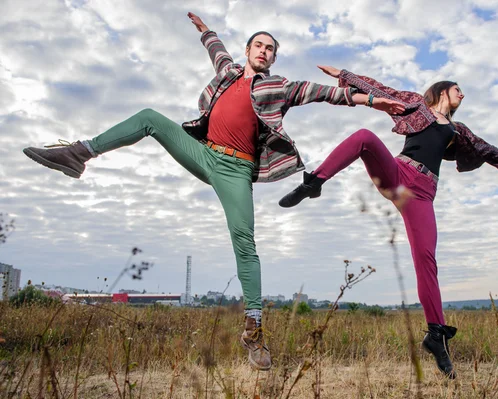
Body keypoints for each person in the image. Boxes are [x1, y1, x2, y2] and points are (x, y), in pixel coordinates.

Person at [22, 14, 405, 371]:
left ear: (273, 58)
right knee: (150, 118)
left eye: (270, 48)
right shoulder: (227, 73)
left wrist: (372, 101)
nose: (264, 51)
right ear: (248, 50)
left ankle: (254, 333)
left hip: (236, 169)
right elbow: (215, 48)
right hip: (204, 152)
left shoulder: (280, 86)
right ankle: (78, 153)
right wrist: (205, 30)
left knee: (245, 243)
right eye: (259, 45)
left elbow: (327, 94)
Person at [279, 66, 498, 378]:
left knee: (426, 261)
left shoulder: (458, 130)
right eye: (458, 90)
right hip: (399, 176)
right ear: (443, 90)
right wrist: (343, 74)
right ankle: (314, 182)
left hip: (422, 195)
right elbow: (381, 89)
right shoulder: (416, 105)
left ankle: (436, 336)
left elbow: (486, 150)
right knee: (364, 137)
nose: (462, 95)